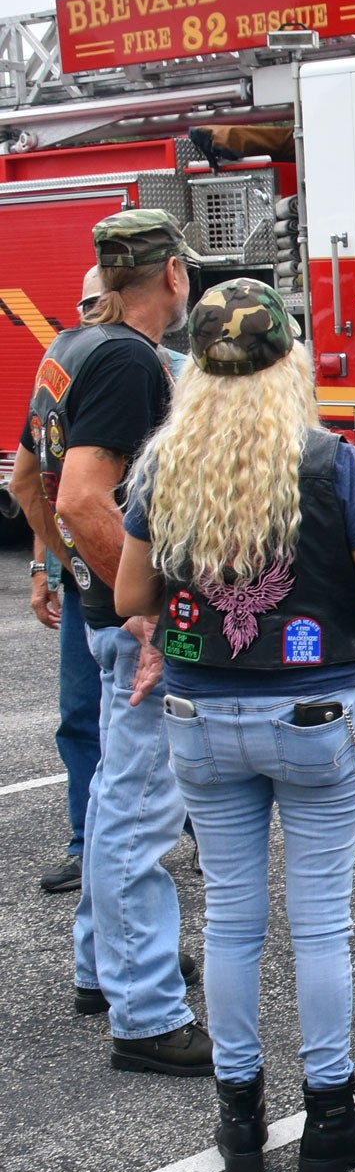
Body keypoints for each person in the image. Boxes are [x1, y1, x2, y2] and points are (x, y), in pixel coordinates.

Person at [116, 278, 355, 1172]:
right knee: (318, 926)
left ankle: (238, 1121)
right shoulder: (332, 465)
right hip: (315, 718)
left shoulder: (165, 468)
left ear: (196, 371)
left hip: (201, 719)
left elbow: (131, 596)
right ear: (291, 363)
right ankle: (330, 1115)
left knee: (234, 922)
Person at [10, 209, 209, 1075]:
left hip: (96, 618)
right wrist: (148, 610)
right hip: (129, 633)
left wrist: (62, 572)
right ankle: (147, 1013)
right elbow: (85, 498)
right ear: (171, 275)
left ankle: (107, 967)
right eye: (185, 269)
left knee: (107, 804)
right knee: (137, 816)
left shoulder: (70, 349)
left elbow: (27, 479)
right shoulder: (131, 359)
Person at [26, 268, 106, 896]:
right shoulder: (68, 374)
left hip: (143, 585)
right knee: (80, 716)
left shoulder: (171, 370)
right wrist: (48, 567)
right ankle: (87, 843)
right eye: (80, 303)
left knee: (169, 713)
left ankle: (197, 832)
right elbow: (43, 481)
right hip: (91, 584)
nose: (88, 313)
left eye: (94, 300)